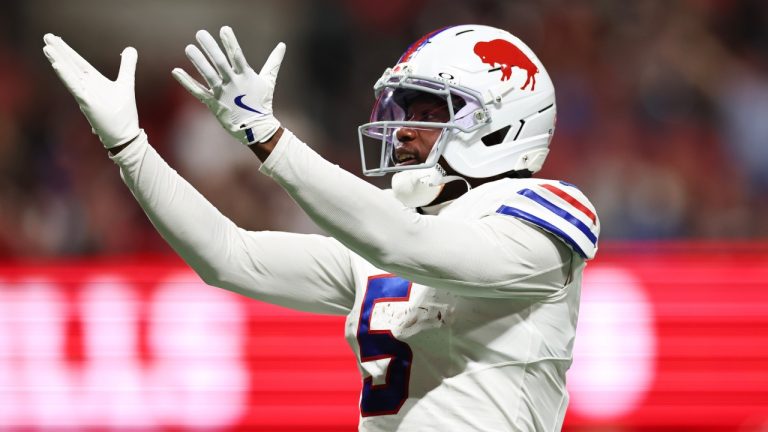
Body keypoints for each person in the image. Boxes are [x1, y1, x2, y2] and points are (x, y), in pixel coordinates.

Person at [42, 24, 599, 431]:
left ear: (502, 124)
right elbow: (228, 256)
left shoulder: (542, 217)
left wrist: (268, 137)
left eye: (431, 112)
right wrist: (130, 148)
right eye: (403, 110)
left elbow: (406, 245)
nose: (404, 131)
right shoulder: (392, 230)